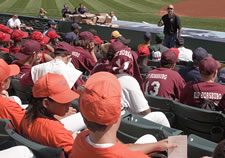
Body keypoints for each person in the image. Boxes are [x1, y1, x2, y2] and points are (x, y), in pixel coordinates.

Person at [70, 72, 177, 158]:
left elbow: (118, 149)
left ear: (84, 118)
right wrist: (179, 151)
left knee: (150, 138)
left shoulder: (80, 140)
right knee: (178, 144)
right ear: (118, 115)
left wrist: (156, 145)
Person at [20, 73, 80, 157]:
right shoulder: (56, 132)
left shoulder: (26, 116)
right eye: (64, 101)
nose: (69, 104)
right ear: (46, 103)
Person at [0, 59, 25, 132]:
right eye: (9, 77)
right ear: (3, 84)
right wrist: (10, 103)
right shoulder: (9, 106)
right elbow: (29, 127)